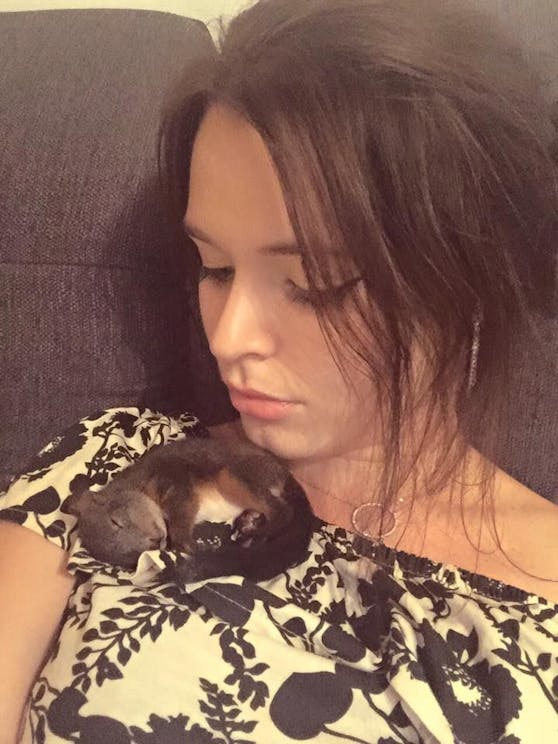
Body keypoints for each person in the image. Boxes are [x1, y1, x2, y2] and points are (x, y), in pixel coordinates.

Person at [1, 0, 557, 741]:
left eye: (313, 282)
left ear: (473, 276)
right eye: (215, 267)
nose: (228, 338)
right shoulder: (113, 462)